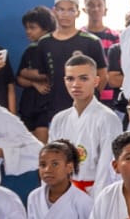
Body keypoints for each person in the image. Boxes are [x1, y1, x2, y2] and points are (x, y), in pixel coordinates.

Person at [22, 0, 110, 121]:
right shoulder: (44, 43)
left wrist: (89, 98)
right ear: (54, 11)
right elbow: (45, 75)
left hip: (86, 111)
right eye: (61, 10)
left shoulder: (92, 41)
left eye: (70, 10)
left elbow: (103, 75)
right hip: (55, 110)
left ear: (77, 13)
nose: (65, 14)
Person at [46, 52, 123, 192]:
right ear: (64, 81)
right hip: (64, 192)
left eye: (83, 78)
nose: (76, 84)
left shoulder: (108, 118)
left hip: (94, 191)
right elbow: (51, 161)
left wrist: (99, 199)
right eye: (70, 79)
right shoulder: (59, 119)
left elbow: (107, 168)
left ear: (96, 81)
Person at [13, 7, 56, 139]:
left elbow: (50, 74)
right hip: (29, 105)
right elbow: (19, 77)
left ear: (46, 28)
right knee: (28, 144)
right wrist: (34, 83)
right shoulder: (29, 50)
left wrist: (28, 73)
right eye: (26, 28)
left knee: (42, 144)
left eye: (32, 28)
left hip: (47, 106)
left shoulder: (54, 48)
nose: (28, 31)